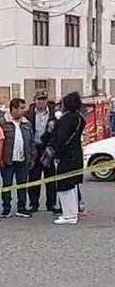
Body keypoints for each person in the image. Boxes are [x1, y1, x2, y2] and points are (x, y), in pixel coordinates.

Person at [0, 98, 37, 219]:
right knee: (7, 185)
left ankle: (21, 208)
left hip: (23, 160)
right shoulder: (1, 123)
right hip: (7, 161)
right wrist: (0, 160)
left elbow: (31, 142)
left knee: (22, 185)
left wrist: (32, 157)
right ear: (14, 109)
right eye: (22, 108)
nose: (24, 110)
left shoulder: (26, 123)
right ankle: (6, 209)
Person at [51, 92, 86, 225]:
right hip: (76, 154)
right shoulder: (79, 118)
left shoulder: (66, 120)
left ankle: (68, 214)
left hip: (66, 156)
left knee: (64, 186)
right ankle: (73, 213)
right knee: (72, 186)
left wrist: (57, 155)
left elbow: (61, 140)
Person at [25, 90, 57, 213]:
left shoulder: (54, 114)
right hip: (35, 148)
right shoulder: (28, 114)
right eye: (39, 99)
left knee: (50, 177)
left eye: (44, 99)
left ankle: (51, 204)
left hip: (48, 148)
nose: (41, 101)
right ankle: (34, 203)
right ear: (35, 100)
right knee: (34, 177)